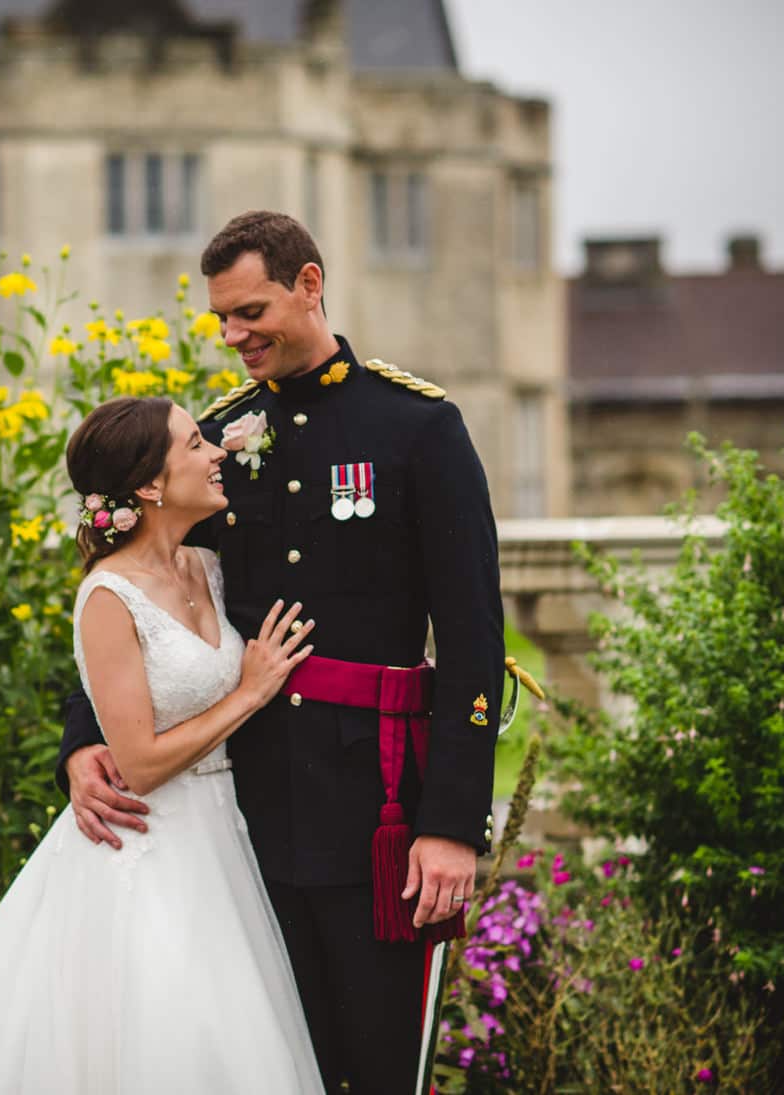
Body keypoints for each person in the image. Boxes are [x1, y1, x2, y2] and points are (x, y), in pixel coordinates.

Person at [58, 210, 506, 1094]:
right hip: (240, 811)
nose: (234, 335)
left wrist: (451, 823)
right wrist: (81, 739)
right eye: (221, 317)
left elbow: (473, 635)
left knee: (376, 1065)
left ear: (310, 285)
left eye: (251, 311)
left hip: (373, 808)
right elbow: (138, 579)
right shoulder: (217, 440)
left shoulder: (417, 426)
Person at [0, 396, 325, 1093]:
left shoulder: (207, 565)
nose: (215, 453)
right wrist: (250, 693)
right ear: (149, 484)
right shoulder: (109, 596)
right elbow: (137, 763)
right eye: (195, 444)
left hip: (219, 838)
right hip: (143, 845)